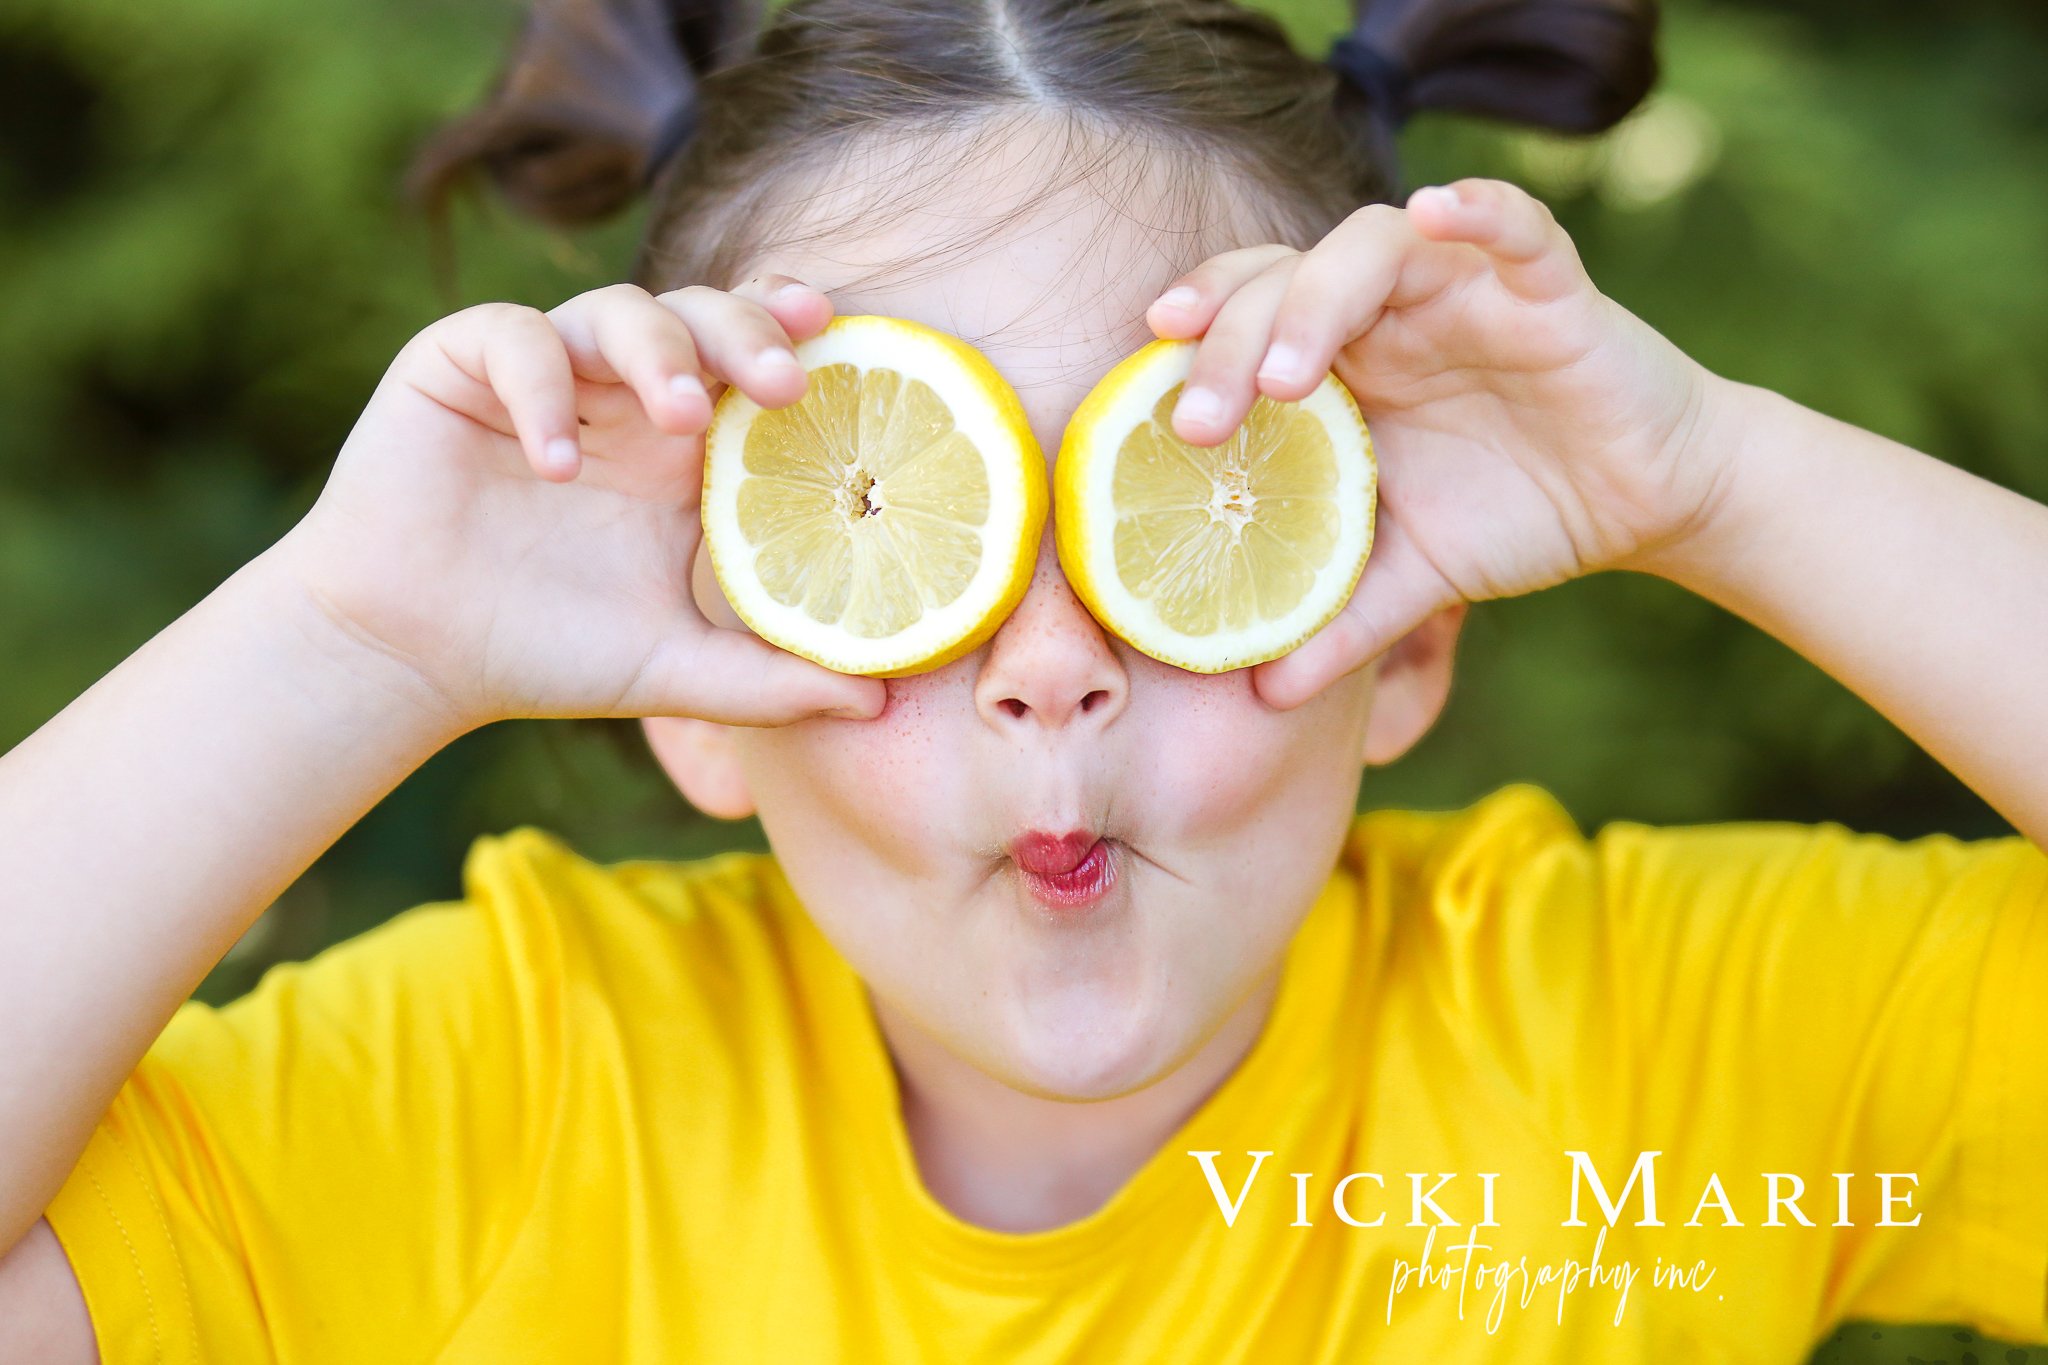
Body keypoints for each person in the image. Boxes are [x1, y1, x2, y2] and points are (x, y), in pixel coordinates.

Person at [2, 0, 2044, 1357]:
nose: (1052, 669)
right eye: (906, 546)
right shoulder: (510, 1083)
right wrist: (346, 636)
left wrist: (1714, 473)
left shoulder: (1656, 1058)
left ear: (1403, 621)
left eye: (1191, 506)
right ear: (695, 675)